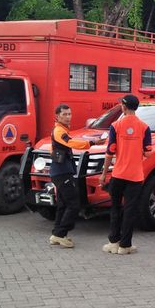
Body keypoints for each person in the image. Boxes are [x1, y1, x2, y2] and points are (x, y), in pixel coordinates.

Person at [99, 94, 152, 255]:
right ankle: (125, 245)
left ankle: (113, 242)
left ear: (123, 107)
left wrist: (103, 174)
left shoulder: (115, 126)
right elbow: (148, 153)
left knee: (115, 208)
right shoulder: (144, 127)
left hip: (118, 174)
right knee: (130, 210)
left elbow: (109, 152)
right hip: (135, 176)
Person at [48, 104, 94, 248]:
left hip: (60, 172)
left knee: (63, 204)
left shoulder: (61, 130)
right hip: (62, 173)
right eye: (65, 114)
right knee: (74, 204)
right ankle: (61, 234)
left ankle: (56, 234)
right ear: (57, 116)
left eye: (69, 114)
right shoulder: (59, 131)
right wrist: (90, 143)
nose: (68, 117)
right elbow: (71, 143)